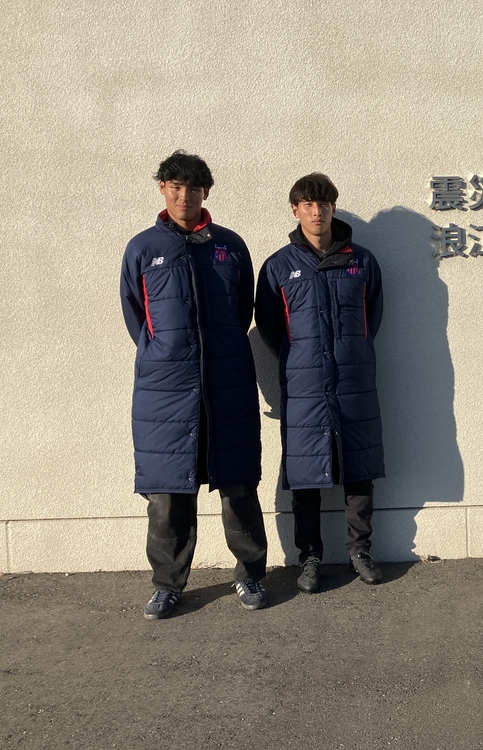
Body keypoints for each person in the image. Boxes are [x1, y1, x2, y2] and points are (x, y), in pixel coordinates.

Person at [121, 151, 269, 619]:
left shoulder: (230, 246)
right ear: (163, 189)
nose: (185, 196)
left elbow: (243, 309)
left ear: (206, 192)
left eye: (194, 188)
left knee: (238, 487)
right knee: (168, 494)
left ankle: (251, 574)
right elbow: (137, 316)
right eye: (176, 187)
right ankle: (167, 585)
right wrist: (164, 353)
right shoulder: (142, 248)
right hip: (165, 390)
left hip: (227, 383)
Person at [255, 173, 385, 592]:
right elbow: (270, 326)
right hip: (304, 384)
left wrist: (350, 351)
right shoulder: (278, 266)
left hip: (353, 379)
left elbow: (371, 318)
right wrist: (300, 358)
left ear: (333, 207)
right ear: (295, 210)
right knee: (306, 472)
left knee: (358, 467)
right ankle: (309, 556)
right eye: (308, 205)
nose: (317, 212)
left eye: (324, 203)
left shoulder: (361, 261)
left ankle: (359, 550)